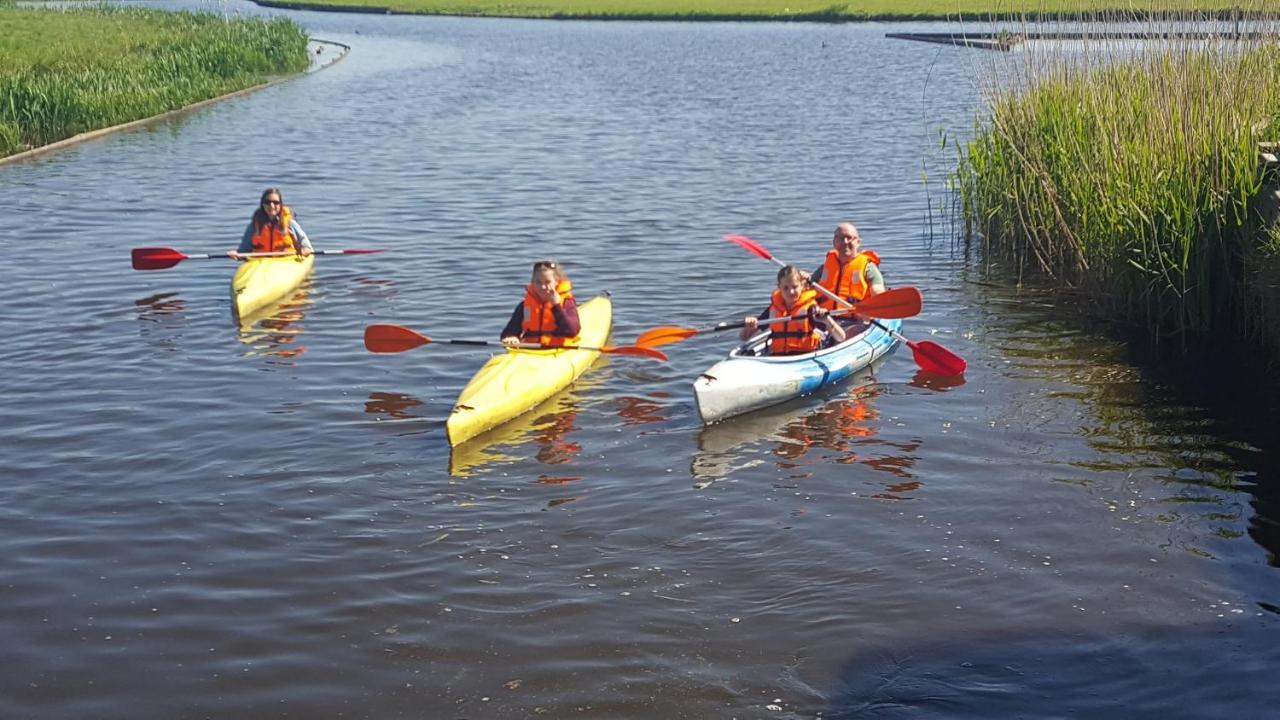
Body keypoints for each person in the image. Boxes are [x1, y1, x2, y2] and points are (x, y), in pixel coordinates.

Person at [740, 265, 846, 355]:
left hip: (806, 356)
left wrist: (827, 319)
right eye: (786, 288)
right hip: (778, 357)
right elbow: (744, 337)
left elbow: (841, 337)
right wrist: (748, 326)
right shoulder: (773, 309)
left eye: (795, 287)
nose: (791, 292)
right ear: (779, 288)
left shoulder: (811, 309)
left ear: (802, 286)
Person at [500, 260, 581, 347]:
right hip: (530, 349)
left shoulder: (566, 302)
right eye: (538, 282)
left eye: (547, 282)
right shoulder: (525, 305)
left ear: (557, 282)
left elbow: (572, 331)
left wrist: (556, 306)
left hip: (558, 350)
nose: (542, 287)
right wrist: (512, 337)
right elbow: (508, 332)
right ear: (532, 282)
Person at [810, 222, 884, 310]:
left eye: (849, 238)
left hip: (857, 319)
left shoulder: (869, 268)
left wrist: (880, 299)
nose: (845, 242)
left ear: (858, 242)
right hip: (826, 317)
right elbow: (808, 285)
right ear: (834, 242)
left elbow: (878, 291)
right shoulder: (825, 268)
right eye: (841, 238)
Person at [227, 187, 313, 259]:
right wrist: (236, 254)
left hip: (287, 261)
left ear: (280, 205)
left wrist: (304, 251)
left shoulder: (291, 224)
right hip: (259, 263)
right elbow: (243, 251)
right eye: (267, 202)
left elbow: (307, 247)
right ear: (263, 205)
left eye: (276, 202)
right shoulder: (254, 226)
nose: (271, 206)